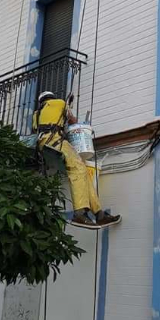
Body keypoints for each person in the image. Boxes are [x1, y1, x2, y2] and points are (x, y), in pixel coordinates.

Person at [33, 92, 122, 229]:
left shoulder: (36, 114)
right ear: (52, 97)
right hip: (55, 141)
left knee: (83, 173)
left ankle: (99, 214)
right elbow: (73, 121)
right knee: (77, 168)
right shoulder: (61, 103)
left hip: (42, 145)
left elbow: (37, 129)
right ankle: (80, 213)